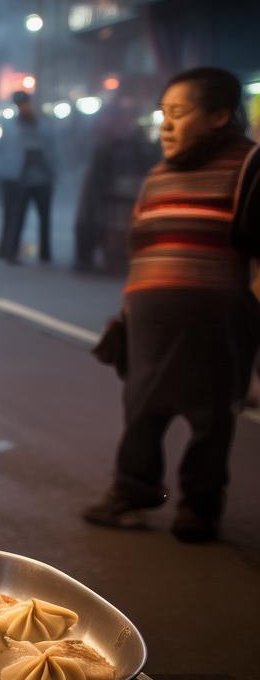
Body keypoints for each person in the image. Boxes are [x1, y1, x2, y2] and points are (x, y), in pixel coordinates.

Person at [83, 67, 260, 543]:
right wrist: (127, 311)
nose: (165, 125)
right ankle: (133, 493)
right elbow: (143, 249)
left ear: (220, 116)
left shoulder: (250, 167)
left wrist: (250, 316)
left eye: (179, 113)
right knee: (142, 409)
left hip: (217, 320)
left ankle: (198, 509)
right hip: (149, 319)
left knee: (212, 418)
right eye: (163, 113)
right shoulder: (158, 175)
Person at [72, 100, 157, 273]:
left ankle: (122, 257)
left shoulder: (138, 139)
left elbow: (146, 162)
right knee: (99, 222)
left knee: (123, 224)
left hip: (128, 190)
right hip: (105, 189)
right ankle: (99, 257)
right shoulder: (104, 140)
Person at [0, 91, 57, 264]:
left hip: (42, 177)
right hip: (19, 176)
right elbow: (2, 149)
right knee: (17, 215)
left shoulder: (44, 125)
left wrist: (53, 168)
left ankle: (45, 253)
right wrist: (5, 169)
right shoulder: (10, 126)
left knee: (44, 217)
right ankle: (10, 251)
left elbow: (54, 149)